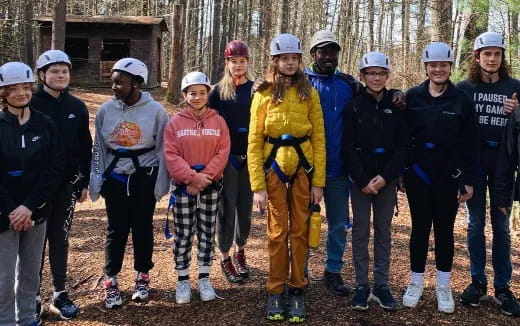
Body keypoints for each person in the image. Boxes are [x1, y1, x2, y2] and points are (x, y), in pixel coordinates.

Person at [248, 33, 326, 323]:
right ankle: (276, 288)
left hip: (304, 167)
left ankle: (297, 288)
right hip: (273, 168)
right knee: (277, 232)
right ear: (275, 61)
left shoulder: (310, 92)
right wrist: (257, 186)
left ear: (300, 61)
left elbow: (319, 137)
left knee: (300, 232)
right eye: (284, 59)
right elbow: (254, 140)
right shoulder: (263, 93)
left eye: (294, 58)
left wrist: (319, 181)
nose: (290, 63)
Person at [401, 42, 478, 314]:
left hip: (448, 174)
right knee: (420, 229)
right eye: (433, 65)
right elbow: (400, 133)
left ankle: (444, 286)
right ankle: (415, 282)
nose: (438, 69)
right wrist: (403, 169)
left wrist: (467, 179)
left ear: (450, 67)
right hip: (419, 174)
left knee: (444, 231)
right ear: (426, 67)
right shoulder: (413, 96)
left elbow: (471, 142)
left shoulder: (461, 99)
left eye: (443, 65)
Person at [89, 58, 170, 309]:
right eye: (113, 83)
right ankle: (111, 280)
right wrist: (97, 178)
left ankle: (142, 275)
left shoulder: (156, 111)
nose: (114, 88)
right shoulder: (106, 111)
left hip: (144, 174)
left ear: (136, 83)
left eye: (120, 83)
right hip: (115, 176)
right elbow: (99, 148)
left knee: (143, 227)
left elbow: (163, 148)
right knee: (117, 229)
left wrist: (160, 182)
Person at [457, 31, 520, 317]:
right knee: (474, 224)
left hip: (503, 168)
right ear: (477, 57)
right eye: (487, 54)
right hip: (474, 166)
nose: (492, 59)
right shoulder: (464, 89)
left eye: (497, 54)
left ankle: (503, 287)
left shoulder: (515, 88)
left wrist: (518, 111)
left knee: (502, 228)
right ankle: (477, 281)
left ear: (502, 57)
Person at [343, 51, 408, 311]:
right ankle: (361, 285)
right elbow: (347, 146)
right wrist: (362, 180)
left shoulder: (397, 105)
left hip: (386, 179)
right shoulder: (354, 106)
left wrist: (386, 177)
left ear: (387, 76)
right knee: (360, 232)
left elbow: (404, 147)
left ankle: (381, 285)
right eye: (371, 73)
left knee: (383, 231)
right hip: (360, 179)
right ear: (362, 76)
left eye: (381, 73)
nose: (376, 78)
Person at [30, 49, 92, 321]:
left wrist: (84, 181)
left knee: (60, 239)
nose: (60, 76)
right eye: (54, 71)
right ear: (42, 75)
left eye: (64, 71)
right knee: (34, 243)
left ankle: (59, 294)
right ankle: (30, 296)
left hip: (67, 186)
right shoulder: (29, 103)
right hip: (34, 189)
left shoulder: (77, 107)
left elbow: (85, 147)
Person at [0, 62, 64, 326]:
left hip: (36, 210)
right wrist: (12, 209)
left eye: (25, 88)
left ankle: (27, 319)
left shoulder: (44, 124)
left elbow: (53, 168)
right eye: (13, 89)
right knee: (3, 276)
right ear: (3, 92)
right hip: (4, 213)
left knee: (29, 274)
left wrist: (29, 206)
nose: (21, 93)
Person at [163, 71, 230, 304]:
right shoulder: (175, 123)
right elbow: (171, 155)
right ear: (184, 95)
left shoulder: (218, 121)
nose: (198, 97)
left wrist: (205, 178)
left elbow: (223, 151)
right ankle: (182, 279)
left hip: (210, 187)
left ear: (208, 94)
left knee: (206, 232)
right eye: (192, 93)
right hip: (184, 188)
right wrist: (191, 178)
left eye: (202, 93)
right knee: (183, 234)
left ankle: (204, 277)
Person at [304, 30, 359, 295]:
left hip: (338, 168)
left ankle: (333, 271)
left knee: (338, 224)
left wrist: (396, 93)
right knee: (301, 222)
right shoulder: (300, 82)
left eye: (332, 51)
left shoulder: (349, 84)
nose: (328, 56)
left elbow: (375, 95)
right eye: (322, 51)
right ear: (313, 54)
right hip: (306, 169)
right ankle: (299, 270)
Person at [209, 40, 254, 284]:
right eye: (233, 61)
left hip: (251, 156)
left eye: (242, 61)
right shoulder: (217, 91)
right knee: (226, 208)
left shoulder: (255, 89)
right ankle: (225, 255)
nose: (238, 66)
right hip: (227, 157)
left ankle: (240, 250)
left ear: (248, 63)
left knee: (244, 208)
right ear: (226, 63)